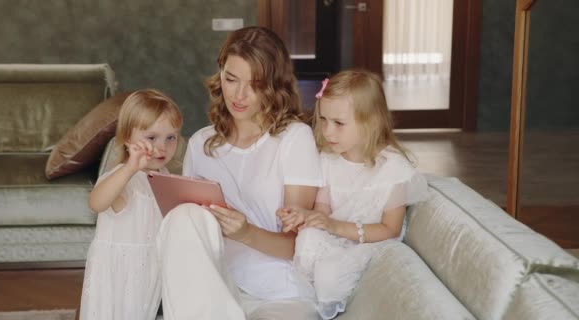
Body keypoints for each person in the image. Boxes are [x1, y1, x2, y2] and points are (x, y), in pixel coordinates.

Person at [156, 26, 323, 319]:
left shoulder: (294, 138)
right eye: (231, 79)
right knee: (182, 218)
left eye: (255, 84)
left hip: (278, 293)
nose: (240, 95)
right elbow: (188, 235)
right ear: (220, 75)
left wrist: (246, 233)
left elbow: (298, 245)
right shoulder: (200, 144)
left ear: (274, 85)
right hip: (216, 285)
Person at [277, 69, 428, 319]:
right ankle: (303, 300)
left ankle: (331, 303)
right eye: (323, 120)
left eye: (339, 123)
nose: (327, 131)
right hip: (336, 233)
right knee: (307, 239)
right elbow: (323, 209)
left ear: (371, 121)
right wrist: (307, 216)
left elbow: (389, 229)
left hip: (370, 240)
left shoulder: (392, 168)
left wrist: (335, 226)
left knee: (329, 274)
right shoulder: (328, 159)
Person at [79, 89, 183, 320]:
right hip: (118, 272)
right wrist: (130, 169)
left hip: (147, 270)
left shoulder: (163, 177)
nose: (162, 147)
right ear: (128, 139)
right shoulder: (123, 177)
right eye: (152, 137)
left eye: (171, 137)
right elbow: (96, 202)